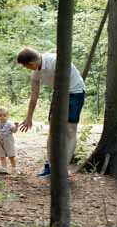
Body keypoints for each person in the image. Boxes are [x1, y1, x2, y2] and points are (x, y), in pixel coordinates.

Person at [16, 47, 85, 177]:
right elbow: (34, 96)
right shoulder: (36, 71)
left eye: (26, 67)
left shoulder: (55, 61)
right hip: (59, 93)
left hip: (75, 92)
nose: (27, 69)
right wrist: (28, 118)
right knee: (52, 130)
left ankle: (62, 169)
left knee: (70, 130)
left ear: (30, 63)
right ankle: (51, 167)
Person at [0, 107, 18, 174]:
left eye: (4, 115)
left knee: (11, 155)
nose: (2, 117)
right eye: (0, 115)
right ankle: (4, 168)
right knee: (2, 155)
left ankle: (14, 168)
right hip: (0, 142)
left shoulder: (9, 124)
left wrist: (16, 126)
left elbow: (14, 131)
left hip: (8, 141)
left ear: (7, 116)